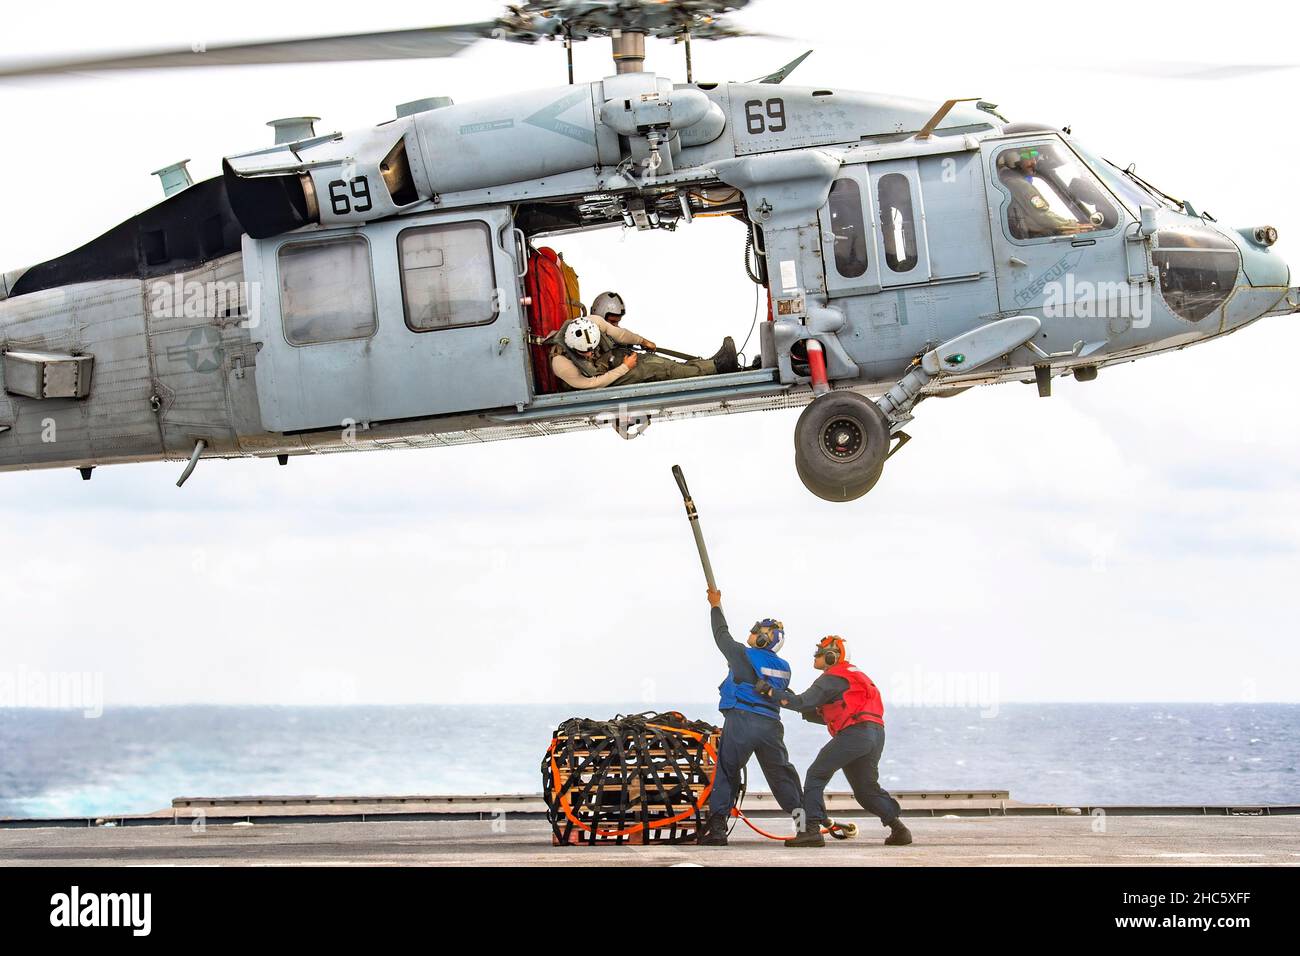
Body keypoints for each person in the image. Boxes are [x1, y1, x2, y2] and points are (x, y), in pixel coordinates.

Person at [756, 635, 913, 848]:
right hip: (875, 734)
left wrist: (771, 692)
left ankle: (811, 830)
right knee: (866, 789)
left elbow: (803, 702)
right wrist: (789, 699)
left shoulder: (832, 677)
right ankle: (899, 829)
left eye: (820, 652)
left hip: (855, 734)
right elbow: (828, 712)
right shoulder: (856, 676)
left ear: (832, 656)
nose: (816, 654)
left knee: (816, 775)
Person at [700, 588, 804, 847]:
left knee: (727, 772)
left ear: (764, 638)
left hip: (742, 721)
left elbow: (720, 635)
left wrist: (715, 605)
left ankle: (717, 831)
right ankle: (805, 828)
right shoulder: (783, 667)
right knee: (782, 776)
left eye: (758, 630)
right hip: (771, 726)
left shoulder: (742, 655)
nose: (753, 631)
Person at [549, 315, 738, 391]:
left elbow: (620, 335)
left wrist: (643, 341)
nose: (589, 354)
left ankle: (708, 367)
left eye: (592, 349)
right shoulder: (561, 363)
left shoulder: (593, 322)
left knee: (653, 360)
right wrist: (624, 367)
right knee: (651, 369)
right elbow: (593, 384)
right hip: (596, 384)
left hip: (607, 363)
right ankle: (717, 367)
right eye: (585, 353)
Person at [1001, 146, 1097, 238]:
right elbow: (1043, 216)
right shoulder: (1018, 183)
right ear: (1014, 159)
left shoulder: (1008, 179)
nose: (1033, 162)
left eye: (1034, 156)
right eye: (1027, 156)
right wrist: (1072, 224)